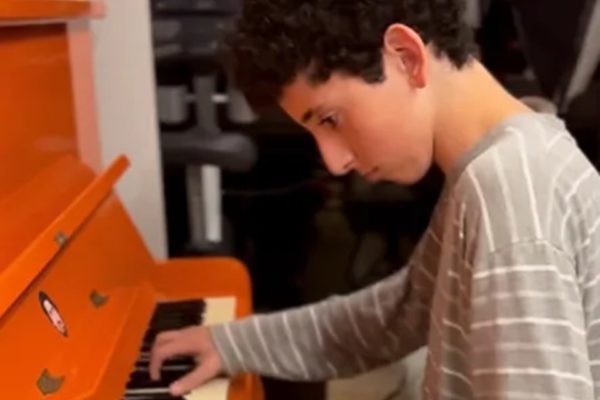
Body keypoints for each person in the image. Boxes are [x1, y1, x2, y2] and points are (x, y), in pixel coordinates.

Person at [150, 0, 600, 398]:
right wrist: (232, 343)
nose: (333, 162)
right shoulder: (511, 154)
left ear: (405, 58)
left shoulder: (509, 194)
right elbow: (396, 313)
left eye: (330, 119)